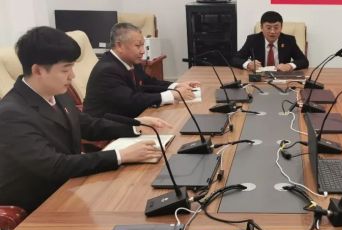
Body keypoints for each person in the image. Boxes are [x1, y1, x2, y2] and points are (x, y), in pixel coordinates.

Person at [0, 26, 171, 213]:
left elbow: (87, 124)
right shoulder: (11, 114)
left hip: (71, 188)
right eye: (65, 70)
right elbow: (54, 166)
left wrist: (136, 127)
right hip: (39, 206)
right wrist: (121, 155)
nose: (72, 76)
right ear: (38, 70)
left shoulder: (56, 93)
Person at [84, 23, 200, 118]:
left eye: (143, 45)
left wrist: (176, 86)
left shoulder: (132, 61)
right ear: (119, 46)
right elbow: (131, 101)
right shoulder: (107, 70)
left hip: (129, 117)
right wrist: (172, 95)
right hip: (107, 127)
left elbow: (147, 82)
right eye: (138, 46)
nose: (143, 51)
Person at [232, 11, 309, 72]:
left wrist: (289, 66)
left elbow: (304, 61)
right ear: (261, 27)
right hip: (259, 79)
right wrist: (248, 64)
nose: (272, 31)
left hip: (281, 78)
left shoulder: (289, 40)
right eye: (268, 28)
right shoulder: (253, 40)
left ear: (281, 27)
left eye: (276, 28)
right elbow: (235, 59)